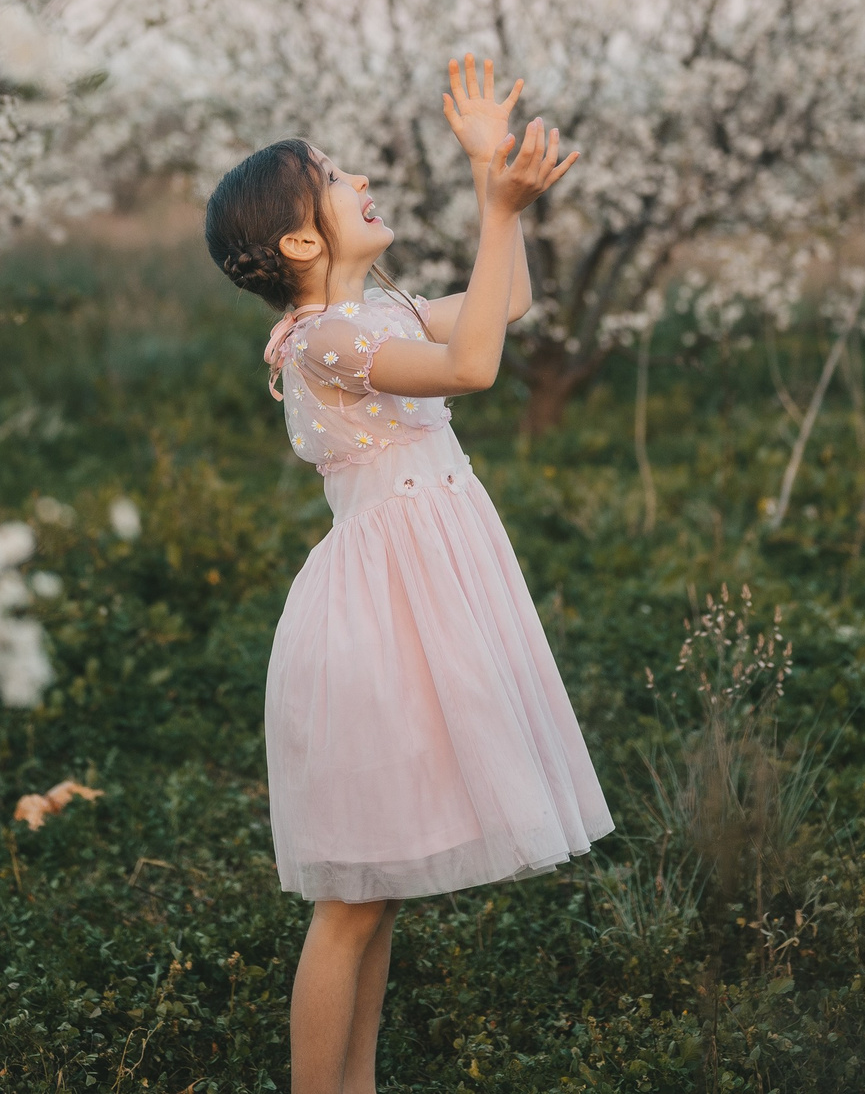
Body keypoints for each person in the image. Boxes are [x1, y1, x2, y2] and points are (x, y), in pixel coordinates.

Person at [201, 57, 614, 1094]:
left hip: (421, 597)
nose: (363, 180)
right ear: (301, 239)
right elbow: (473, 368)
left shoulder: (376, 308)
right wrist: (493, 201)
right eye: (337, 179)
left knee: (374, 890)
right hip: (376, 621)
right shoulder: (326, 340)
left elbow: (501, 301)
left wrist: (494, 186)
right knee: (349, 900)